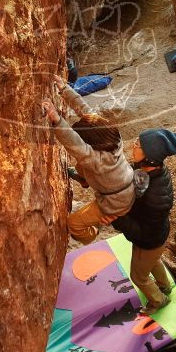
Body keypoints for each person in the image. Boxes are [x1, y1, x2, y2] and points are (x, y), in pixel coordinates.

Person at [42, 76, 135, 245]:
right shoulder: (112, 136)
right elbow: (86, 112)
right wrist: (65, 90)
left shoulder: (96, 160)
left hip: (115, 202)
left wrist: (56, 119)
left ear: (92, 144)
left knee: (74, 224)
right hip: (124, 184)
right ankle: (84, 178)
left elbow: (74, 142)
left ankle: (93, 231)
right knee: (81, 164)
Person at [111, 129, 176, 315]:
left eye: (138, 145)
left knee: (139, 276)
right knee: (154, 262)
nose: (133, 146)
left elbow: (143, 232)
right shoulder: (151, 171)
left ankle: (158, 300)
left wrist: (118, 219)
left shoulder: (155, 197)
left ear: (149, 157)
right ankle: (164, 285)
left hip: (149, 241)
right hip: (157, 237)